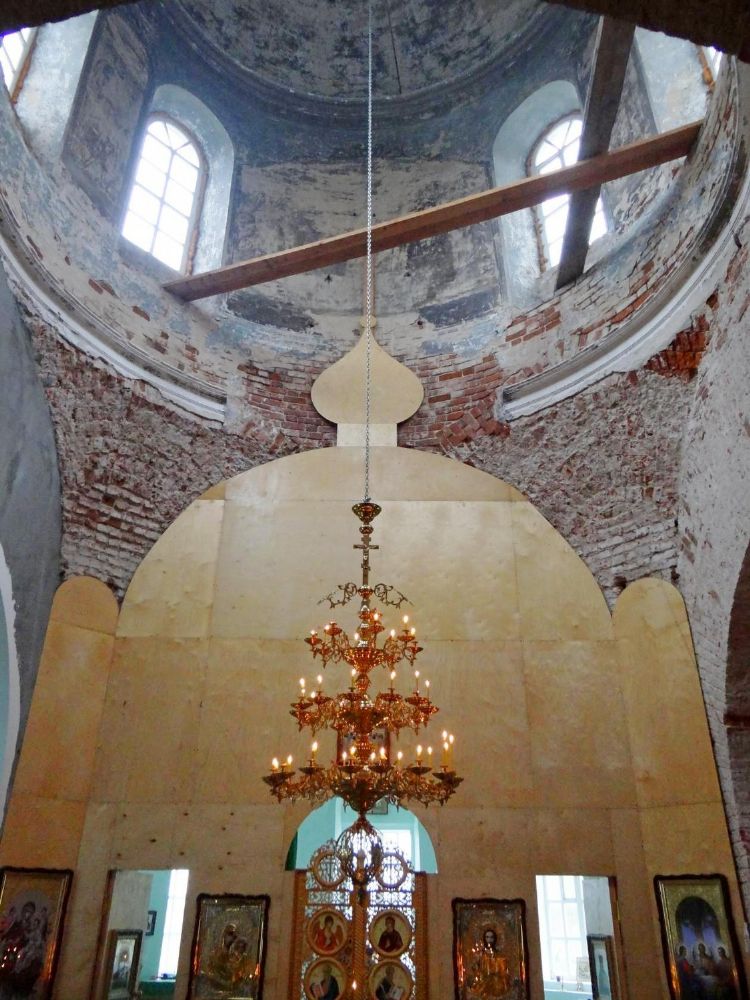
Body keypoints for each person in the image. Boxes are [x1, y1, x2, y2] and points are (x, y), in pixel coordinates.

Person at [468, 927, 511, 999]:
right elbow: (475, 970)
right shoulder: (481, 955)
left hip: (496, 983)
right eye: (487, 937)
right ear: (484, 939)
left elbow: (504, 972)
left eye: (491, 937)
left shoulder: (499, 956)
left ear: (495, 939)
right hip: (483, 983)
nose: (489, 940)